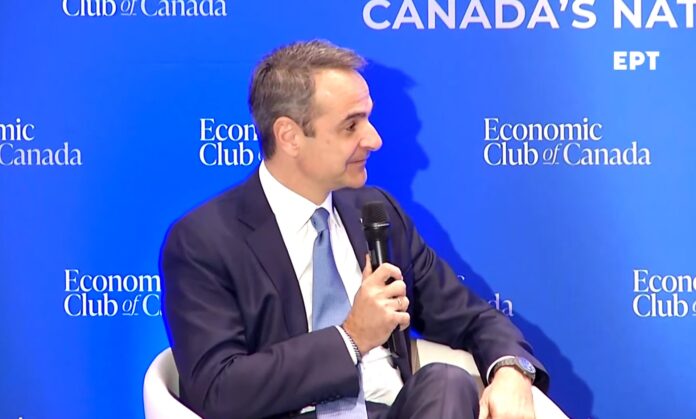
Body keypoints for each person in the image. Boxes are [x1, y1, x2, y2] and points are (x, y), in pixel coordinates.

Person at [160, 40, 549, 419]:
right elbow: (218, 389)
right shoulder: (204, 241)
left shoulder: (376, 213)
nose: (374, 139)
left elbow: (472, 318)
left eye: (368, 119)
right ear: (289, 136)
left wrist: (511, 370)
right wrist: (351, 337)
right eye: (351, 125)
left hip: (398, 410)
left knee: (447, 382)